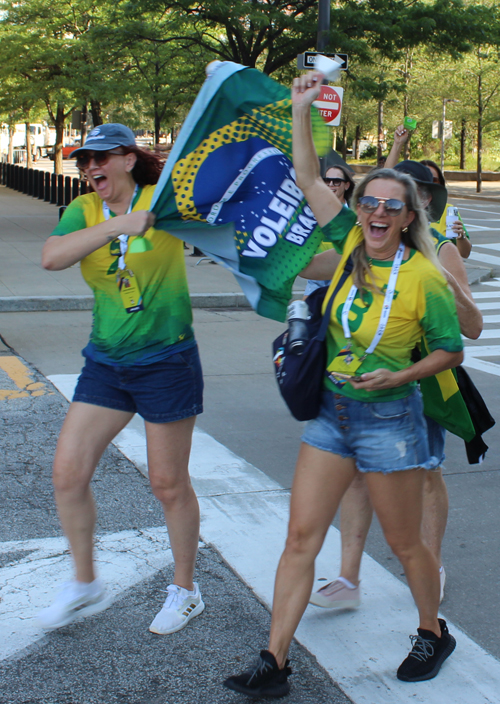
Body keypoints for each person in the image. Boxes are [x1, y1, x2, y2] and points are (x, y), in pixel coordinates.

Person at [224, 71, 463, 698]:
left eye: (391, 206)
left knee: (407, 544)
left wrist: (404, 373)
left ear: (410, 216)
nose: (377, 212)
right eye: (369, 202)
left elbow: (451, 348)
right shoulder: (348, 239)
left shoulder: (425, 279)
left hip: (393, 420)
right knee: (301, 536)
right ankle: (273, 660)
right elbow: (307, 178)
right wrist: (302, 110)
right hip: (332, 415)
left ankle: (433, 632)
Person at [38, 124, 205, 635]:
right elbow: (52, 257)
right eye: (83, 160)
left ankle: (186, 589)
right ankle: (85, 583)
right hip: (107, 363)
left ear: (128, 160)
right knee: (67, 473)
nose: (90, 168)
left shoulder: (164, 200)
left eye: (100, 158)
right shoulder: (84, 211)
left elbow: (218, 211)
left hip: (166, 359)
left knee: (167, 483)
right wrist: (117, 227)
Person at [308, 160, 482, 612]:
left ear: (420, 205)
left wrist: (436, 275)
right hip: (363, 376)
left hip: (422, 378)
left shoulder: (439, 249)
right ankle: (348, 576)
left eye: (421, 193)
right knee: (357, 478)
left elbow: (473, 326)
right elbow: (318, 265)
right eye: (377, 201)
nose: (415, 199)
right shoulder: (366, 242)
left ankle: (433, 565)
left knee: (426, 473)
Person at [385, 126, 471, 258]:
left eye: (434, 180)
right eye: (419, 182)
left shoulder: (448, 212)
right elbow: (387, 179)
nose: (425, 187)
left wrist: (461, 237)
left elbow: (464, 254)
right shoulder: (398, 210)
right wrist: (397, 144)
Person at [303, 165, 355, 297]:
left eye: (336, 181)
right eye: (327, 180)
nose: (331, 184)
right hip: (317, 275)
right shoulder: (312, 209)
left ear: (347, 185)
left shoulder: (354, 213)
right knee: (308, 313)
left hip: (344, 273)